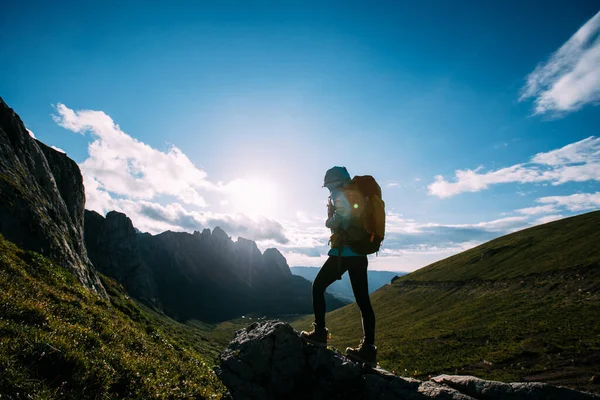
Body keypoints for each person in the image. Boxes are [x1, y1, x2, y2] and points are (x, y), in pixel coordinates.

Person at [300, 166, 377, 367]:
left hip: (344, 253)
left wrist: (329, 222)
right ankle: (368, 349)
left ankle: (319, 333)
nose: (328, 190)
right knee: (363, 301)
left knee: (317, 287)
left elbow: (344, 214)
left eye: (328, 186)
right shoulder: (357, 192)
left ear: (333, 183)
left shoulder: (339, 193)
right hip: (360, 255)